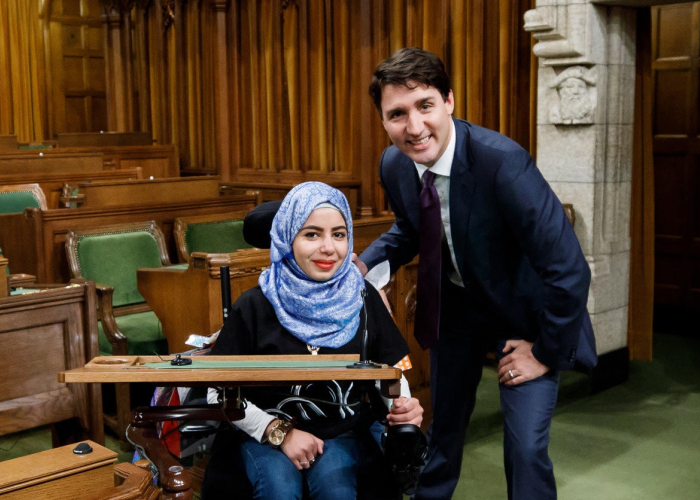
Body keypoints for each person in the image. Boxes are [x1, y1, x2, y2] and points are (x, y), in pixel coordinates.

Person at [354, 47, 596, 500]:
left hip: (527, 320)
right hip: (459, 313)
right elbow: (410, 228)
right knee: (443, 432)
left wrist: (543, 351)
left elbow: (568, 270)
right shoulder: (395, 164)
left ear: (448, 101)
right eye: (397, 114)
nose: (414, 127)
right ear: (383, 120)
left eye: (425, 105)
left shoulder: (502, 163)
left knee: (525, 448)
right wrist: (362, 265)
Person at [207, 181, 423, 499]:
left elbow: (394, 368)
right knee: (279, 490)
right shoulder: (254, 305)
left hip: (343, 431)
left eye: (338, 234)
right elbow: (216, 392)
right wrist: (277, 432)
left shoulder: (365, 299)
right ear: (286, 238)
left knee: (336, 489)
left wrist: (402, 406)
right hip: (264, 432)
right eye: (311, 234)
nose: (328, 248)